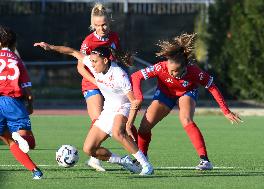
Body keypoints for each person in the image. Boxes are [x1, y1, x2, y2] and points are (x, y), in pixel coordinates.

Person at [34, 42, 153, 175]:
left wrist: (129, 124)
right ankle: (123, 161)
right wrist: (51, 47)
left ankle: (146, 165)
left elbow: (134, 102)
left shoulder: (119, 74)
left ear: (105, 60)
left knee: (118, 132)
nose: (92, 64)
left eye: (95, 61)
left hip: (122, 106)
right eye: (91, 61)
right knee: (89, 149)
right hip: (108, 109)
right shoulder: (94, 63)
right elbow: (73, 52)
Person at [130, 33, 242, 170]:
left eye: (176, 71)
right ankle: (142, 158)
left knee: (185, 119)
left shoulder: (194, 72)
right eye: (170, 69)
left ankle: (205, 161)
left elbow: (212, 87)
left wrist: (226, 111)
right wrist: (139, 97)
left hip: (186, 92)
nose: (172, 73)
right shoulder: (161, 67)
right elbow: (136, 76)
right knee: (144, 127)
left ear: (184, 67)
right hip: (165, 94)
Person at [77, 3, 137, 171]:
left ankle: (97, 154)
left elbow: (114, 59)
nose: (101, 28)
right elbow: (80, 67)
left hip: (111, 84)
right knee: (98, 120)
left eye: (104, 24)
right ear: (92, 25)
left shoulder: (114, 37)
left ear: (109, 22)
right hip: (92, 84)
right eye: (97, 25)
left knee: (115, 122)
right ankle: (94, 155)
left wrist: (127, 60)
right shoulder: (88, 42)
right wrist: (96, 81)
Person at [0, 25, 43, 179]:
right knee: (29, 142)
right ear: (14, 44)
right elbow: (26, 87)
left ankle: (36, 171)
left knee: (9, 140)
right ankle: (35, 170)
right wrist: (30, 104)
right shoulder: (16, 59)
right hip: (13, 102)